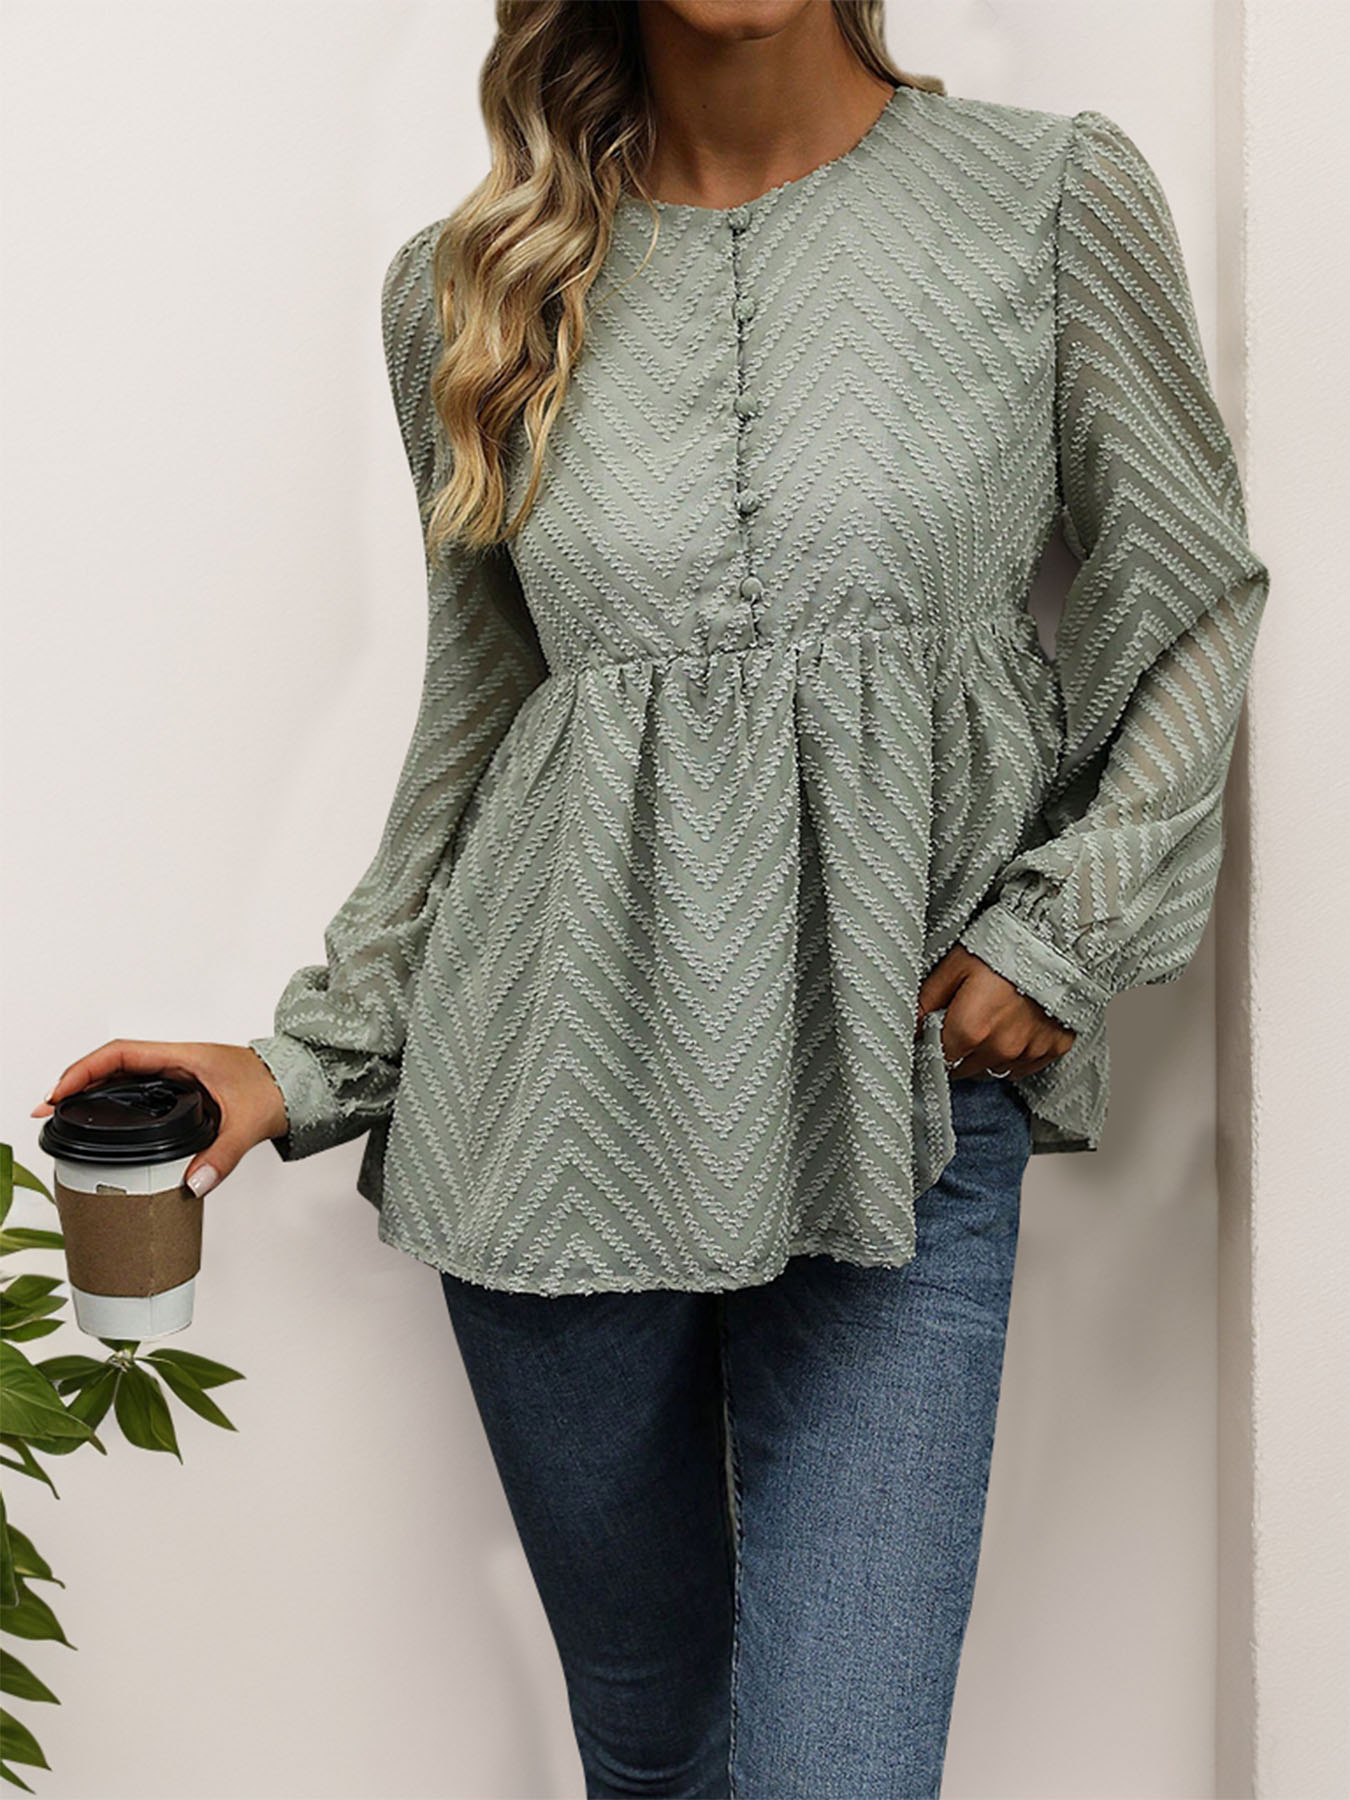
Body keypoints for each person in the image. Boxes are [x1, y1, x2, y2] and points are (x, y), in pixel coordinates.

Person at [33, 2, 1270, 1793]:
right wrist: (307, 1063)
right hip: (548, 1120)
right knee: (652, 1750)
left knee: (838, 1769)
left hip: (898, 1105)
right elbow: (478, 721)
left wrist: (1059, 933)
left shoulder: (1048, 198)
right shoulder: (472, 286)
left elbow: (1189, 603)